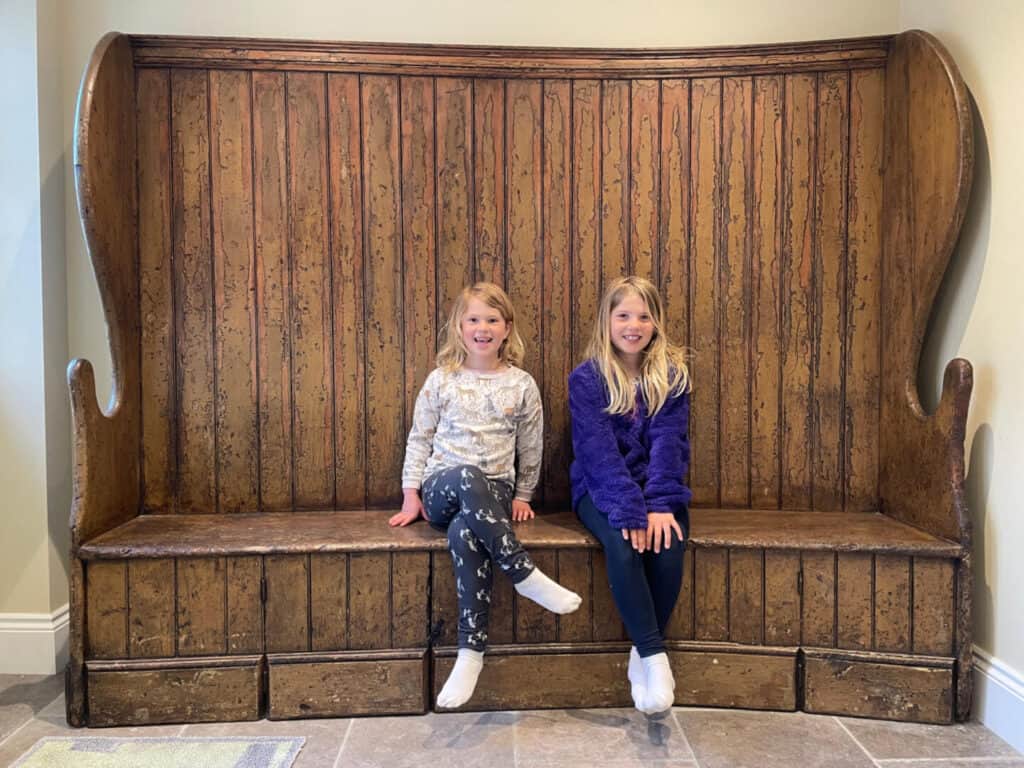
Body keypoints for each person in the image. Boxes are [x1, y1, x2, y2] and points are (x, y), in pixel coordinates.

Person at [390, 281, 582, 708]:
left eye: (492, 320)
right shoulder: (442, 380)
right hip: (443, 485)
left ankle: (470, 652)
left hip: (493, 492)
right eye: (473, 319)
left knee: (464, 532)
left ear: (507, 328)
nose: (483, 327)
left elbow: (531, 443)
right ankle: (522, 573)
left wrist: (524, 495)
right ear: (459, 328)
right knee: (464, 477)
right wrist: (410, 495)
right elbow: (419, 438)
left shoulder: (521, 384)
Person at [569, 275, 691, 716]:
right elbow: (597, 453)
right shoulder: (587, 378)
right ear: (607, 320)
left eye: (643, 316)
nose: (633, 325)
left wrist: (659, 505)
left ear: (656, 323)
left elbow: (669, 444)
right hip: (601, 490)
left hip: (659, 489)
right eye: (623, 315)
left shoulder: (671, 377)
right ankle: (657, 658)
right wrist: (629, 510)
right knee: (623, 547)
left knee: (669, 544)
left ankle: (641, 655)